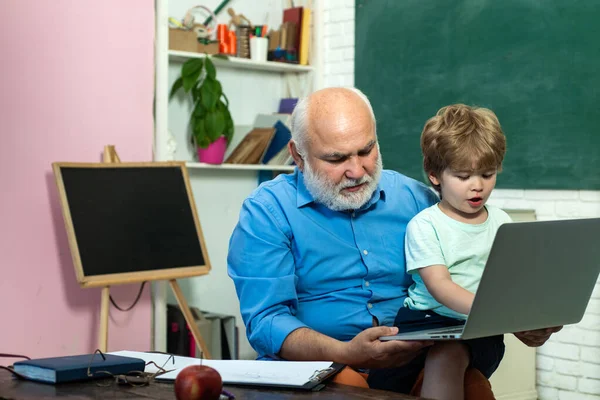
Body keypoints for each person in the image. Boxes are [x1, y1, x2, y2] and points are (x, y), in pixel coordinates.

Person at [227, 87, 561, 395]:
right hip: (322, 366)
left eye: (366, 150)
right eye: (337, 158)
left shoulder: (417, 199)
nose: (357, 170)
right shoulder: (267, 212)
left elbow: (467, 278)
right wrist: (345, 352)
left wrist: (524, 323)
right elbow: (267, 321)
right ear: (298, 157)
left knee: (472, 387)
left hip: (418, 362)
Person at [376, 104, 509, 399]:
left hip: (479, 329)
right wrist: (490, 309)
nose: (477, 187)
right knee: (432, 361)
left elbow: (511, 277)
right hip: (427, 320)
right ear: (435, 175)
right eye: (463, 177)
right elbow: (440, 286)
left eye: (487, 175)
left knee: (449, 355)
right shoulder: (425, 225)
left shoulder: (502, 221)